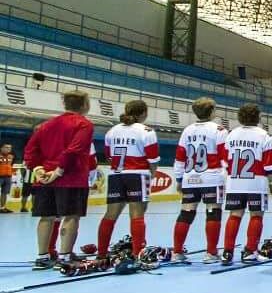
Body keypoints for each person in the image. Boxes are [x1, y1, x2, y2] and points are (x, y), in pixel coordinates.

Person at [24, 90, 94, 269]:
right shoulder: (84, 124)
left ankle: (42, 256)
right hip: (71, 177)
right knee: (71, 216)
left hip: (45, 178)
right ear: (85, 105)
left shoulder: (46, 125)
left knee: (47, 217)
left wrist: (38, 169)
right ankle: (64, 257)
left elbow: (31, 150)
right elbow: (74, 150)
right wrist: (58, 171)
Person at [98, 100, 160, 259]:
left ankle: (102, 254)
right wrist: (151, 174)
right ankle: (137, 253)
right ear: (144, 113)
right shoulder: (146, 131)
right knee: (137, 214)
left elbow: (108, 155)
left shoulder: (112, 131)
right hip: (137, 174)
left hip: (116, 174)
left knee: (110, 215)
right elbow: (153, 159)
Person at [172, 97, 229, 263]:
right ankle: (211, 253)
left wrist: (179, 178)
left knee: (186, 213)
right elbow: (224, 158)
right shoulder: (219, 130)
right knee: (213, 212)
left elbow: (180, 157)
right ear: (211, 111)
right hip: (212, 178)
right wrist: (227, 178)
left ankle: (177, 252)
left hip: (191, 178)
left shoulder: (187, 130)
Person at [220, 104, 272, 265]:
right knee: (256, 215)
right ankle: (250, 251)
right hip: (256, 182)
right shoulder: (264, 135)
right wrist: (271, 181)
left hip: (235, 181)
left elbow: (225, 160)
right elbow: (268, 164)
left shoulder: (231, 135)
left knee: (234, 215)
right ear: (258, 117)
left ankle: (227, 252)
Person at [1, 143, 14, 213]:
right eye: (6, 147)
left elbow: (11, 165)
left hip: (8, 176)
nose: (8, 149)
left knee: (4, 193)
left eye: (9, 148)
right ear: (1, 148)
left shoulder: (11, 156)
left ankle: (2, 208)